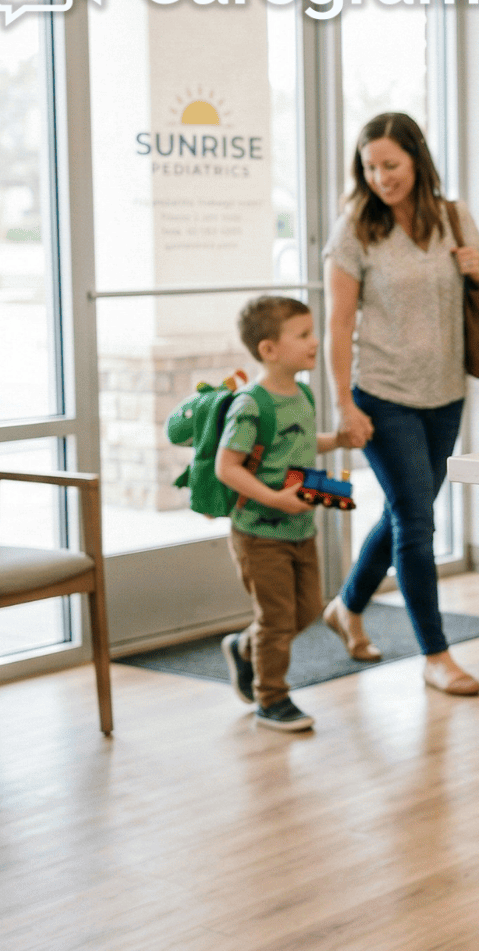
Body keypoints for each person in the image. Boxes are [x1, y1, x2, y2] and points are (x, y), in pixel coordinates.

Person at [323, 112, 479, 697]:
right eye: (370, 167)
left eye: (390, 165)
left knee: (405, 512)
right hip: (383, 394)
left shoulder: (453, 217)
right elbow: (338, 324)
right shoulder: (355, 229)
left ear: (417, 159)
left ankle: (347, 606)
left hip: (446, 393)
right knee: (417, 523)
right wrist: (344, 404)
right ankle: (436, 655)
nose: (381, 178)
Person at [216, 296, 349, 732]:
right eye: (303, 335)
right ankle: (271, 698)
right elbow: (227, 467)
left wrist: (337, 440)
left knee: (307, 609)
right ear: (269, 349)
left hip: (300, 528)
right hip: (259, 533)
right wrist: (275, 499)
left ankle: (244, 647)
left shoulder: (303, 394)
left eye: (313, 332)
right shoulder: (251, 404)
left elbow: (300, 444)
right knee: (276, 619)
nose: (315, 342)